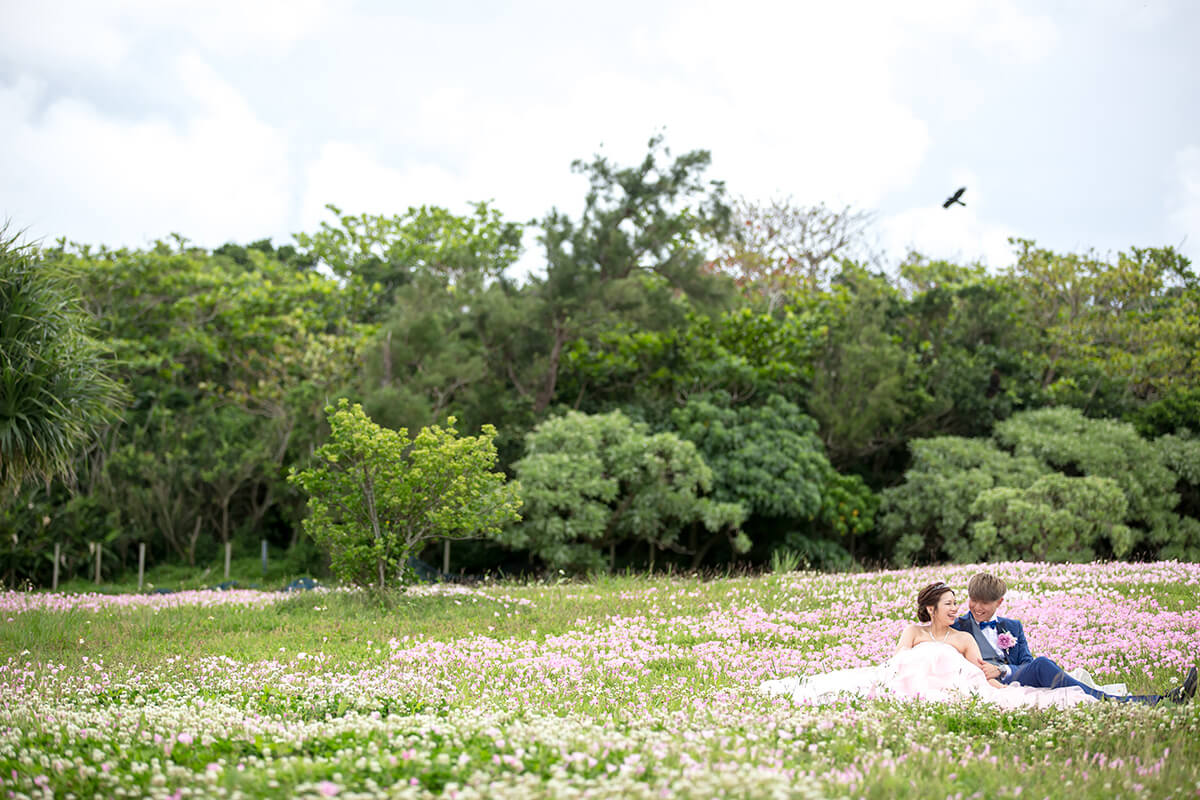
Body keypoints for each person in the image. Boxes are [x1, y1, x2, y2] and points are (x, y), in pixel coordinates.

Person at [761, 582, 1095, 708]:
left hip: (953, 689)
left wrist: (1002, 686)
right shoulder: (913, 632)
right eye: (949, 604)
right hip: (912, 686)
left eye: (955, 603)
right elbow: (894, 665)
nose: (956, 609)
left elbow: (982, 675)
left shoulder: (963, 638)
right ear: (931, 609)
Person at [952, 571, 1197, 706]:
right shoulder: (958, 625)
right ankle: (1148, 701)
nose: (977, 607)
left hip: (1011, 675)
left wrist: (1004, 669)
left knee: (1039, 665)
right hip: (983, 683)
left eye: (985, 602)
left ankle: (1153, 701)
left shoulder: (1012, 626)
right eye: (973, 599)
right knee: (1043, 665)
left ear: (999, 603)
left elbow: (1025, 662)